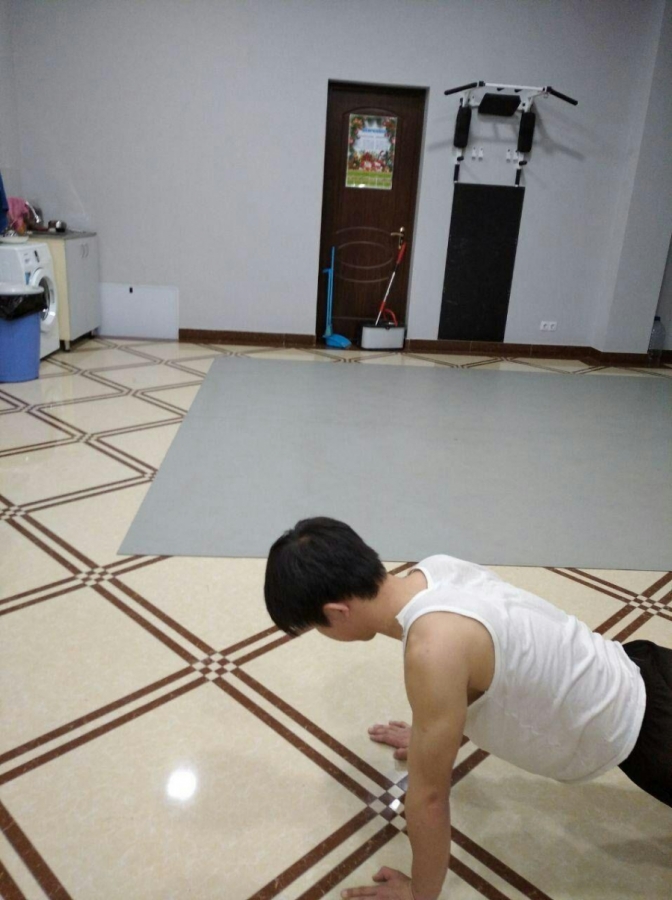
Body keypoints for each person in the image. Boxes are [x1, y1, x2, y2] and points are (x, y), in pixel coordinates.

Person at [264, 517, 671, 900]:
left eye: (316, 626)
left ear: (336, 612)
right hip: (646, 665)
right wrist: (431, 733)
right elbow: (491, 661)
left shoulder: (432, 650)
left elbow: (428, 798)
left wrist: (419, 893)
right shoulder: (437, 569)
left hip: (651, 737)